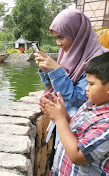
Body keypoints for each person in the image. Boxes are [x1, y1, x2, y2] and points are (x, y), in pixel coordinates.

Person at [35, 9, 108, 167]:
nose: (58, 43)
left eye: (61, 37)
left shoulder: (99, 60)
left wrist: (57, 70)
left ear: (77, 33)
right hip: (64, 120)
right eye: (55, 38)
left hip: (81, 129)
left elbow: (77, 97)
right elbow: (54, 87)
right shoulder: (67, 53)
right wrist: (45, 70)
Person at [40, 52, 109, 176]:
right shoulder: (88, 105)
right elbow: (75, 131)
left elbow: (78, 155)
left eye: (91, 84)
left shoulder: (106, 123)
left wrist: (59, 119)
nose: (86, 88)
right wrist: (63, 113)